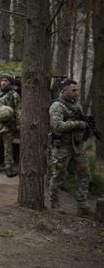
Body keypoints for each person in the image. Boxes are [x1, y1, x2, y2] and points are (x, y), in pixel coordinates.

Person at [48, 79, 93, 217]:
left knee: (85, 174)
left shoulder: (76, 105)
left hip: (77, 146)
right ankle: (54, 205)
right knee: (58, 175)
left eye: (77, 90)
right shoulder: (57, 106)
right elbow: (57, 126)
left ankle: (82, 204)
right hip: (62, 146)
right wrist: (78, 124)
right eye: (73, 90)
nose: (76, 92)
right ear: (64, 90)